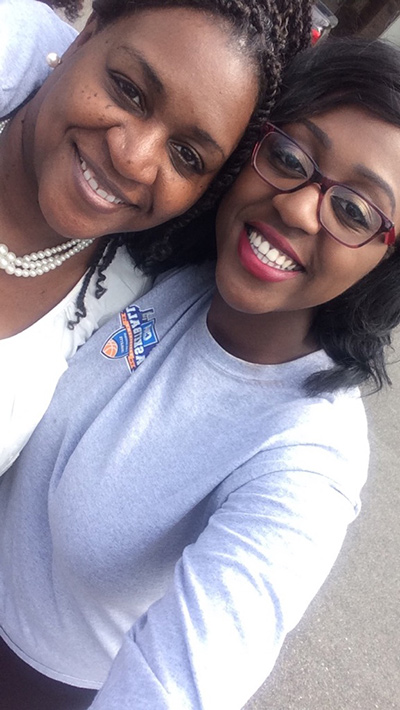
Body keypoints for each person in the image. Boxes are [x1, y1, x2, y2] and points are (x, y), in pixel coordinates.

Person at [2, 36, 400, 709]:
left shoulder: (307, 456)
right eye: (290, 157)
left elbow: (187, 680)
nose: (300, 207)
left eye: (355, 212)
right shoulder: (172, 269)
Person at [0, 0, 312, 475]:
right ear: (87, 35)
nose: (134, 159)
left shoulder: (123, 305)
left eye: (187, 155)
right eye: (129, 91)